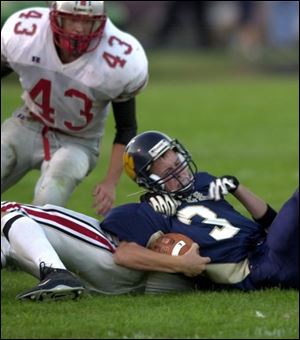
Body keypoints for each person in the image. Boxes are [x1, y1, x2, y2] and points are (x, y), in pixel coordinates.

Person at [101, 130, 299, 291]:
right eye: (169, 172)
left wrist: (236, 188)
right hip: (256, 267)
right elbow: (124, 254)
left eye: (178, 164)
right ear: (148, 182)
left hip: (270, 246)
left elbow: (271, 222)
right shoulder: (149, 211)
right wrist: (180, 264)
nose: (181, 173)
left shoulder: (203, 182)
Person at [1, 1, 148, 216]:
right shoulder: (26, 35)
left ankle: (22, 248)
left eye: (86, 22)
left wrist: (110, 182)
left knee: (48, 200)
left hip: (78, 142)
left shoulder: (119, 60)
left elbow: (126, 127)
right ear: (56, 17)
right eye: (72, 19)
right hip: (27, 122)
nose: (79, 28)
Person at [1, 200, 210, 301]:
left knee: (8, 210)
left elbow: (124, 253)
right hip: (113, 279)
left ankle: (57, 275)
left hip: (108, 254)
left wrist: (182, 263)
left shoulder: (147, 217)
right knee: (7, 241)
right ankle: (58, 277)